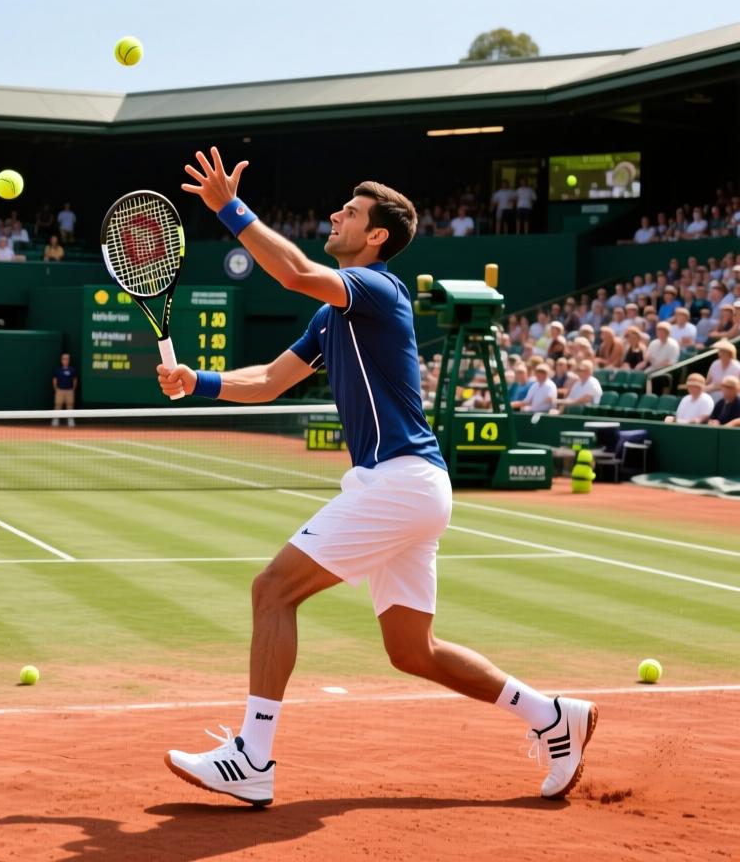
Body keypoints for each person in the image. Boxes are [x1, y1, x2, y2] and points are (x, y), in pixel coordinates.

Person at [157, 146, 596, 807]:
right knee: (412, 651)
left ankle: (251, 756)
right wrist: (202, 381)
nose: (336, 215)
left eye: (350, 212)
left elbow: (296, 270)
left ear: (377, 235)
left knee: (273, 591)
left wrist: (230, 208)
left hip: (398, 480)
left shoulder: (376, 288)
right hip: (408, 486)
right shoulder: (332, 315)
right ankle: (550, 715)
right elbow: (271, 380)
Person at [51, 353, 78, 426]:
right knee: (58, 405)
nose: (65, 360)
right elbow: (54, 380)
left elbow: (75, 380)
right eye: (64, 359)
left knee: (70, 405)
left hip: (69, 391)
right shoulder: (58, 370)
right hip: (60, 390)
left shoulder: (72, 370)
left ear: (69, 360)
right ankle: (55, 420)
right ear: (61, 360)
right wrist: (56, 389)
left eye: (67, 359)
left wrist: (73, 389)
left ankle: (70, 420)